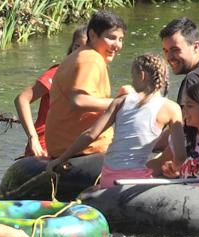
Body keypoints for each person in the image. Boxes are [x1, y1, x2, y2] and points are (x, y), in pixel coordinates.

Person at [46, 53, 185, 188]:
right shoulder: (172, 108)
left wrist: (61, 159)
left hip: (108, 177)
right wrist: (173, 168)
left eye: (133, 77)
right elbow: (180, 156)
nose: (132, 81)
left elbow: (90, 134)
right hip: (134, 181)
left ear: (141, 76)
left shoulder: (121, 100)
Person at [45, 10, 127, 158]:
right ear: (93, 35)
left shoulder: (80, 55)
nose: (117, 45)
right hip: (81, 150)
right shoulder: (91, 59)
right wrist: (122, 102)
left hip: (63, 148)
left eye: (120, 39)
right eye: (111, 38)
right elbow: (79, 101)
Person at [15, 25, 88, 157]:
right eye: (77, 47)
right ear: (71, 48)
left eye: (86, 49)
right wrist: (33, 138)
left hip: (72, 145)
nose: (79, 53)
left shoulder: (93, 77)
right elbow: (22, 99)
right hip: (45, 146)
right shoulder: (58, 72)